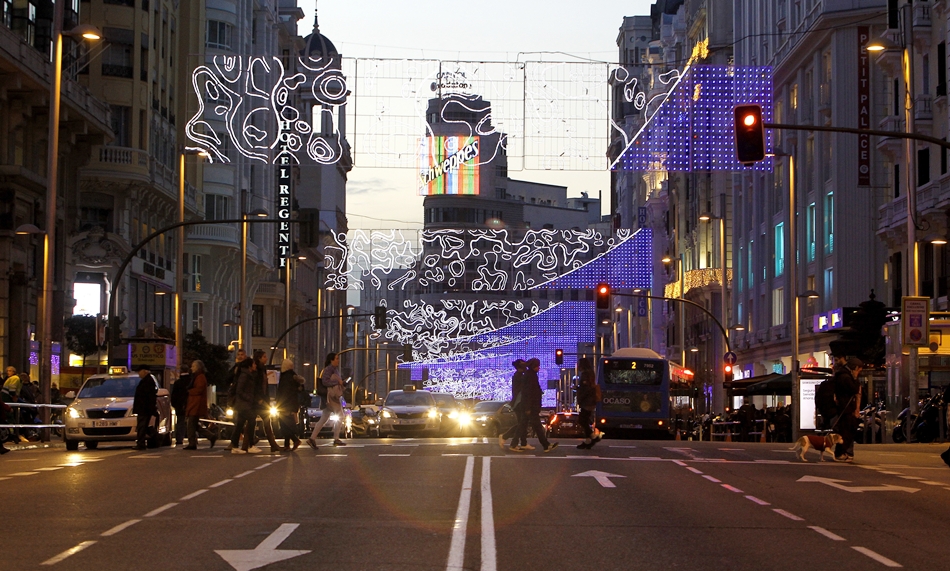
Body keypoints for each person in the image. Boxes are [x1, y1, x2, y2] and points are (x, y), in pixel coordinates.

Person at [307, 352, 347, 449]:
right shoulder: (329, 370)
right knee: (341, 416)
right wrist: (337, 382)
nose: (338, 360)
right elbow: (325, 381)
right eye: (336, 358)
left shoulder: (334, 369)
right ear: (331, 360)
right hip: (331, 397)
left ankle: (312, 438)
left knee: (324, 418)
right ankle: (336, 438)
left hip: (330, 397)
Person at [522, 358, 558, 453]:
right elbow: (530, 392)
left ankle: (520, 442)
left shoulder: (530, 375)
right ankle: (545, 445)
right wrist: (529, 407)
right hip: (532, 406)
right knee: (536, 426)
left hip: (531, 405)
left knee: (523, 424)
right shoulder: (531, 376)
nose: (539, 367)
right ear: (533, 366)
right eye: (537, 366)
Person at [229, 357, 262, 454]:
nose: (255, 365)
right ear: (250, 366)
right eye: (254, 364)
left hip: (243, 404)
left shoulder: (248, 374)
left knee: (240, 424)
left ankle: (234, 445)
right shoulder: (245, 375)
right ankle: (251, 445)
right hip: (244, 404)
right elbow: (239, 390)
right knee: (252, 420)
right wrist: (249, 398)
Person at [250, 349, 281, 453]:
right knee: (252, 422)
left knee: (265, 422)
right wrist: (259, 399)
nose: (266, 358)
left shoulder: (262, 369)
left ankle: (273, 444)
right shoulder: (257, 370)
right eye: (264, 357)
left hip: (262, 400)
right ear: (259, 358)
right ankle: (250, 443)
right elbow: (256, 386)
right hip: (258, 401)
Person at [832, 356, 862, 462]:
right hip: (846, 408)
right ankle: (841, 452)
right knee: (847, 431)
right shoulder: (846, 377)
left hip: (845, 407)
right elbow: (854, 389)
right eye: (859, 369)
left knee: (847, 430)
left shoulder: (841, 375)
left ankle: (844, 452)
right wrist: (855, 379)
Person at [184, 360, 218, 450]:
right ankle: (211, 436)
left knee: (191, 424)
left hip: (196, 404)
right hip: (195, 403)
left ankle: (192, 443)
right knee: (194, 425)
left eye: (193, 366)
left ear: (198, 367)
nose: (192, 368)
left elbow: (199, 389)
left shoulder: (200, 377)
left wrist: (189, 391)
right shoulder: (197, 376)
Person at [499, 359, 529, 451]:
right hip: (519, 403)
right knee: (521, 424)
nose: (526, 368)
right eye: (524, 367)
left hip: (519, 402)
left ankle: (523, 443)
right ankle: (505, 436)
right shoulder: (519, 376)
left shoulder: (518, 375)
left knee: (523, 423)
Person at [576, 357, 603, 449]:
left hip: (588, 401)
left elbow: (586, 388)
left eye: (579, 364)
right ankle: (588, 440)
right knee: (584, 419)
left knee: (582, 420)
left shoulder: (585, 374)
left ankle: (592, 436)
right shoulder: (590, 373)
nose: (578, 366)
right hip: (590, 400)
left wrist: (579, 392)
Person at [276, 359, 302, 451]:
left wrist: (278, 402)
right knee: (286, 423)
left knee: (284, 424)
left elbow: (283, 392)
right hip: (291, 404)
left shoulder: (285, 377)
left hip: (284, 404)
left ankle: (295, 440)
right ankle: (287, 444)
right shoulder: (293, 376)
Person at [132, 365, 159, 450]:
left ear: (145, 371)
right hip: (143, 408)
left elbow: (149, 397)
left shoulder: (148, 382)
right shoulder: (146, 381)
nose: (138, 373)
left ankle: (141, 443)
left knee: (142, 426)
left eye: (139, 371)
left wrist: (150, 408)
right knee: (143, 427)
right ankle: (151, 440)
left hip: (144, 408)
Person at [170, 363, 191, 446]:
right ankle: (192, 438)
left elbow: (174, 395)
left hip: (179, 405)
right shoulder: (191, 380)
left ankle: (179, 439)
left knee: (180, 422)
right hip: (190, 404)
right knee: (191, 422)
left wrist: (175, 404)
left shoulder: (178, 382)